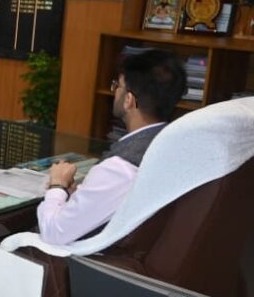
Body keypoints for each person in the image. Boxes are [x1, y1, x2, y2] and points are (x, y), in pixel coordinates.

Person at [37, 48, 186, 245]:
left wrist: (57, 186)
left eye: (117, 86)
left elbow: (53, 232)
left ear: (129, 100)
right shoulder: (174, 145)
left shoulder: (120, 167)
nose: (114, 91)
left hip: (85, 255)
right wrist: (79, 194)